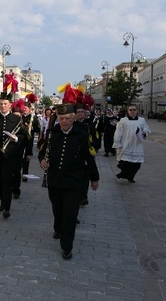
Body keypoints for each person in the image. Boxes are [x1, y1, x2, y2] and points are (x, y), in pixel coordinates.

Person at [38, 103, 99, 260]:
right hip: (55, 180)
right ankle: (57, 228)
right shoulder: (53, 132)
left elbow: (89, 156)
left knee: (70, 214)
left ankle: (67, 246)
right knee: (57, 209)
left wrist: (94, 177)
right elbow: (43, 151)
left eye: (67, 118)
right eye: (61, 118)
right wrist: (42, 161)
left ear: (73, 119)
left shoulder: (81, 133)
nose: (64, 121)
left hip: (74, 181)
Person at [0, 80, 27, 219]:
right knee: (0, 179)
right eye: (1, 104)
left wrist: (15, 139)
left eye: (5, 104)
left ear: (10, 105)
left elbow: (23, 136)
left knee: (7, 180)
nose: (3, 106)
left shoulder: (16, 119)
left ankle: (7, 207)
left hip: (11, 155)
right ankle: (2, 202)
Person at [113, 105, 151, 183]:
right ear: (128, 111)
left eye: (134, 110)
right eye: (130, 110)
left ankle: (130, 176)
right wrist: (117, 142)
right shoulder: (123, 121)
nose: (132, 111)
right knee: (124, 162)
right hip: (125, 144)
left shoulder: (142, 120)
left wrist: (144, 132)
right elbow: (118, 132)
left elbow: (147, 129)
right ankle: (126, 174)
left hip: (137, 145)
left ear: (137, 111)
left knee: (136, 163)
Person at [21, 94, 40, 183]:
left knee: (26, 159)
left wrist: (32, 128)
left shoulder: (34, 118)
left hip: (28, 141)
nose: (24, 109)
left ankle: (25, 174)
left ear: (29, 109)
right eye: (23, 108)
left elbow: (37, 129)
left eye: (26, 108)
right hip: (19, 140)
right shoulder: (19, 117)